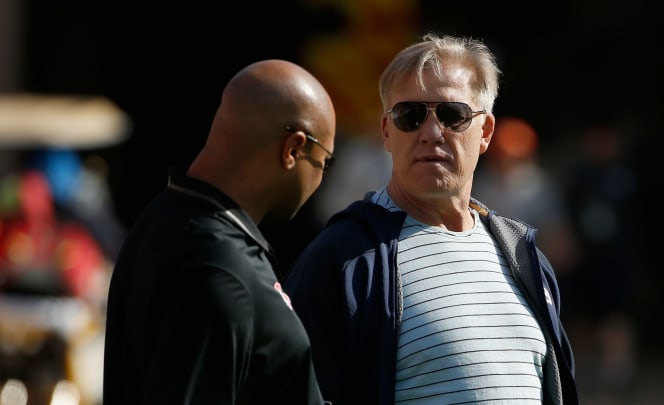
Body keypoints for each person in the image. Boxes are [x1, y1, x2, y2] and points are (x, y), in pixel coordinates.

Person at [284, 33, 578, 404]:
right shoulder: (343, 257)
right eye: (410, 116)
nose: (431, 133)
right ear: (387, 132)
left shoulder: (522, 255)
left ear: (485, 132)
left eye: (453, 115)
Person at [103, 59, 336, 405]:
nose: (321, 176)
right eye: (325, 161)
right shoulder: (220, 270)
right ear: (293, 149)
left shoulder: (164, 220)